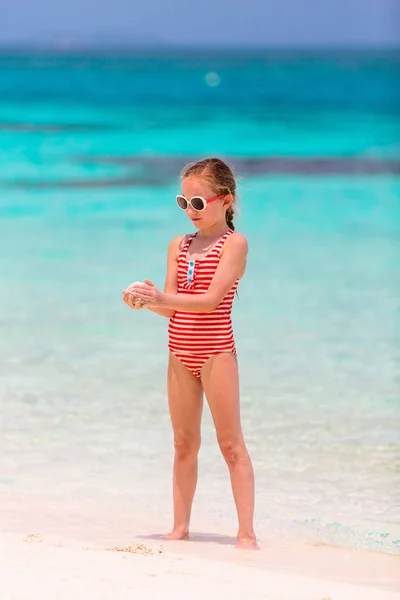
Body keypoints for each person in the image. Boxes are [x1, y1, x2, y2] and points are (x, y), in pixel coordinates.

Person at [122, 157, 258, 550]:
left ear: (225, 200)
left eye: (198, 203)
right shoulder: (177, 246)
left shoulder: (235, 244)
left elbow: (212, 301)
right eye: (184, 203)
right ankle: (180, 527)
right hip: (179, 352)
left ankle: (246, 534)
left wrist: (164, 298)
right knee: (183, 443)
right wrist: (146, 301)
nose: (191, 212)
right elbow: (171, 307)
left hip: (216, 353)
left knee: (231, 445)